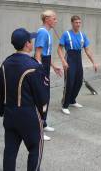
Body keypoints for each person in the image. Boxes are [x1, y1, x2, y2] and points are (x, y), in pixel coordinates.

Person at [0, 28, 49, 171]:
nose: (32, 42)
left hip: (10, 114)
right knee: (35, 149)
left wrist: (2, 110)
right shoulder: (33, 66)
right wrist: (43, 116)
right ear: (27, 44)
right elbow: (42, 96)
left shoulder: (6, 63)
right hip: (28, 115)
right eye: (31, 40)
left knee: (10, 152)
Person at [57, 15, 98, 115]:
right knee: (69, 83)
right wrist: (63, 61)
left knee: (79, 82)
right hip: (69, 59)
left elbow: (87, 50)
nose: (78, 24)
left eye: (79, 22)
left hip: (78, 59)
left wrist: (94, 62)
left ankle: (72, 100)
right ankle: (65, 105)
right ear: (72, 23)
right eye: (76, 22)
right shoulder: (66, 34)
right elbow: (59, 49)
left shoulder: (82, 35)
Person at [35, 10, 62, 141]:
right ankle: (38, 129)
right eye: (54, 18)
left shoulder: (47, 33)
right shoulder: (42, 32)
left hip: (46, 64)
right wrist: (39, 70)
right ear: (47, 19)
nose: (56, 21)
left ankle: (43, 123)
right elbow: (38, 53)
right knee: (42, 97)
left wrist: (54, 66)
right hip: (41, 67)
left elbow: (47, 54)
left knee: (46, 96)